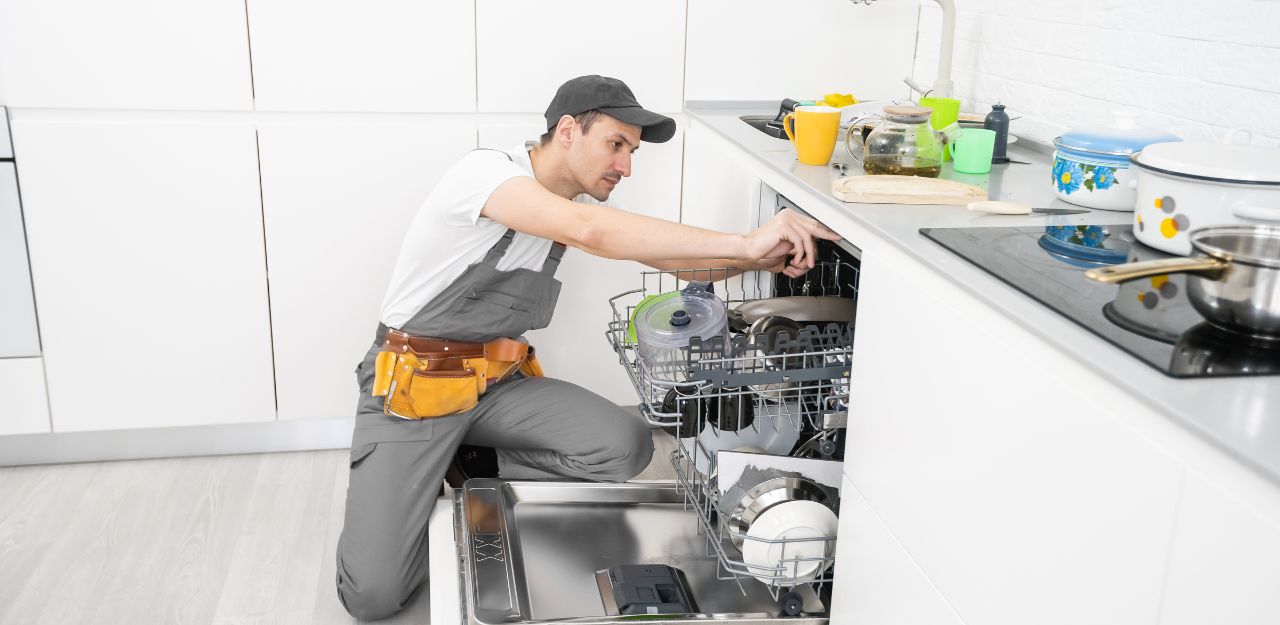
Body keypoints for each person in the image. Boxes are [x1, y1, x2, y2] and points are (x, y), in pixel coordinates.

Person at [335, 75, 840, 620]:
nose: (626, 166)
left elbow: (680, 263)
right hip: (414, 388)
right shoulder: (487, 175)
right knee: (374, 596)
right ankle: (418, 467)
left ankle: (466, 461)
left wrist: (758, 256)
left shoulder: (566, 206)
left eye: (632, 151)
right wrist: (744, 241)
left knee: (624, 445)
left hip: (492, 386)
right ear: (568, 131)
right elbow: (590, 230)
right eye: (616, 144)